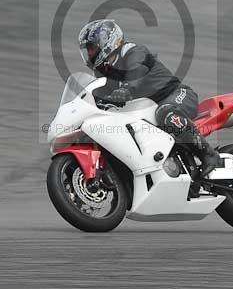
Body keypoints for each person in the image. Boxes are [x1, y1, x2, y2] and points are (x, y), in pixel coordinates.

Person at [78, 19, 221, 177]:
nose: (89, 53)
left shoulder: (133, 52)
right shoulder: (104, 71)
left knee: (166, 113)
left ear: (106, 41)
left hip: (176, 95)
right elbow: (99, 94)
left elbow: (136, 71)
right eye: (87, 49)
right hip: (149, 109)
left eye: (91, 47)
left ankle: (208, 154)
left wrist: (127, 88)